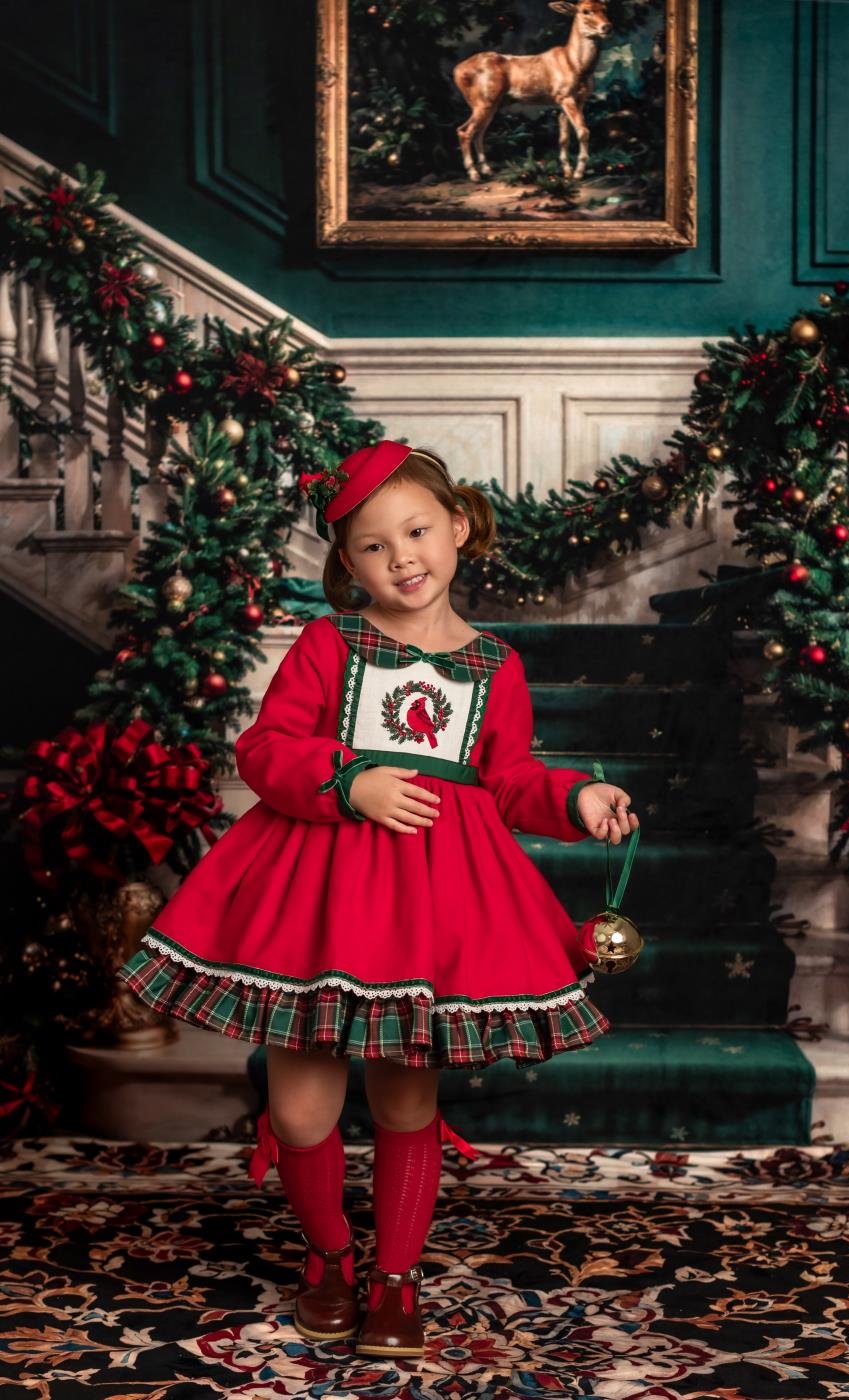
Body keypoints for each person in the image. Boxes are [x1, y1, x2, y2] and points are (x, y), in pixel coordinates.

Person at [117, 439, 639, 1360]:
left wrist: (575, 798)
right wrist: (348, 780)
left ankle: (395, 1275)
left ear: (459, 526)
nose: (401, 557)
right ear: (347, 563)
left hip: (430, 909)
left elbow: (510, 779)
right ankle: (328, 1253)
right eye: (372, 545)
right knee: (301, 1112)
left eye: (417, 531)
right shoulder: (330, 644)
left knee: (406, 1099)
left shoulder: (495, 665)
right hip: (319, 898)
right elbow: (265, 748)